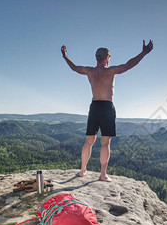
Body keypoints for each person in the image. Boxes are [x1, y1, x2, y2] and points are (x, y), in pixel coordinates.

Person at [61, 40, 154, 182]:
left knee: (89, 141)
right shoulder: (110, 71)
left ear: (96, 57)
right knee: (105, 143)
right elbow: (128, 65)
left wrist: (65, 56)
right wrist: (144, 53)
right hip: (106, 108)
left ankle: (82, 170)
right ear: (107, 58)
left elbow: (74, 68)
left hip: (94, 107)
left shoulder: (89, 71)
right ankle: (103, 174)